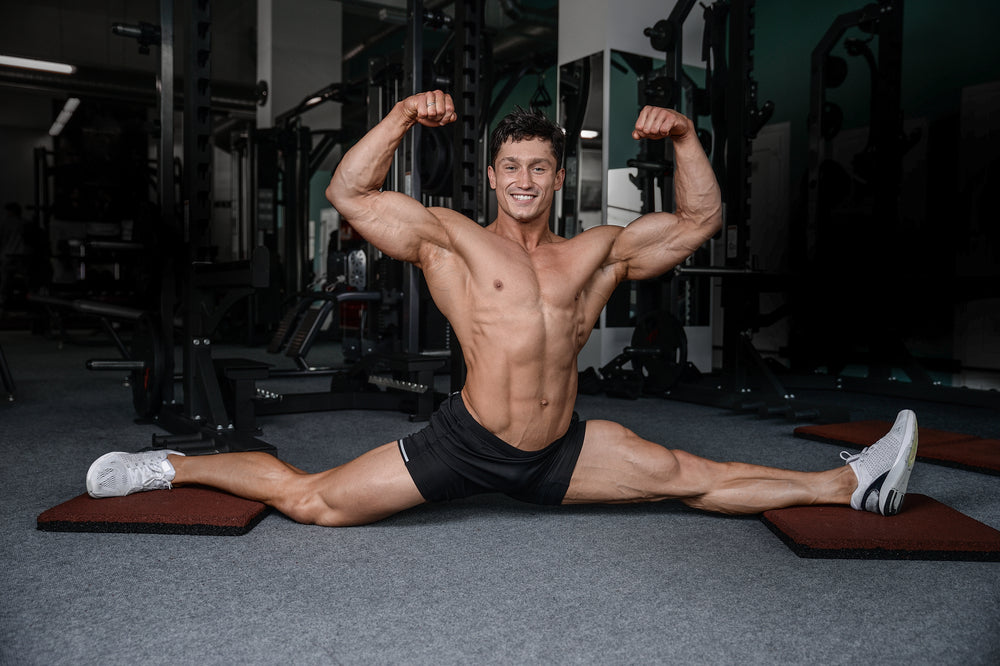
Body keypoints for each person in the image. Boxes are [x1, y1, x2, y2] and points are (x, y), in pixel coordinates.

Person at [85, 91, 919, 525]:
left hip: (561, 449)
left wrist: (687, 140)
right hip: (470, 443)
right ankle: (170, 467)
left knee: (688, 479)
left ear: (560, 178)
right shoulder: (450, 238)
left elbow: (702, 220)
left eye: (539, 168)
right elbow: (348, 189)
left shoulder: (598, 250)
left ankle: (849, 485)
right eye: (510, 166)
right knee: (313, 502)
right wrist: (407, 114)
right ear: (491, 176)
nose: (524, 180)